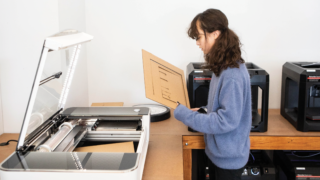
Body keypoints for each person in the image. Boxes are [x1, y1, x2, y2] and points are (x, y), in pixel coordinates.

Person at [174, 9, 252, 180]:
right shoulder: (224, 66)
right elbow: (223, 107)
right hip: (220, 155)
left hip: (228, 162)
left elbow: (226, 120)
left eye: (199, 37)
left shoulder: (232, 74)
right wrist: (203, 110)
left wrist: (185, 115)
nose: (197, 43)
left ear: (215, 34)